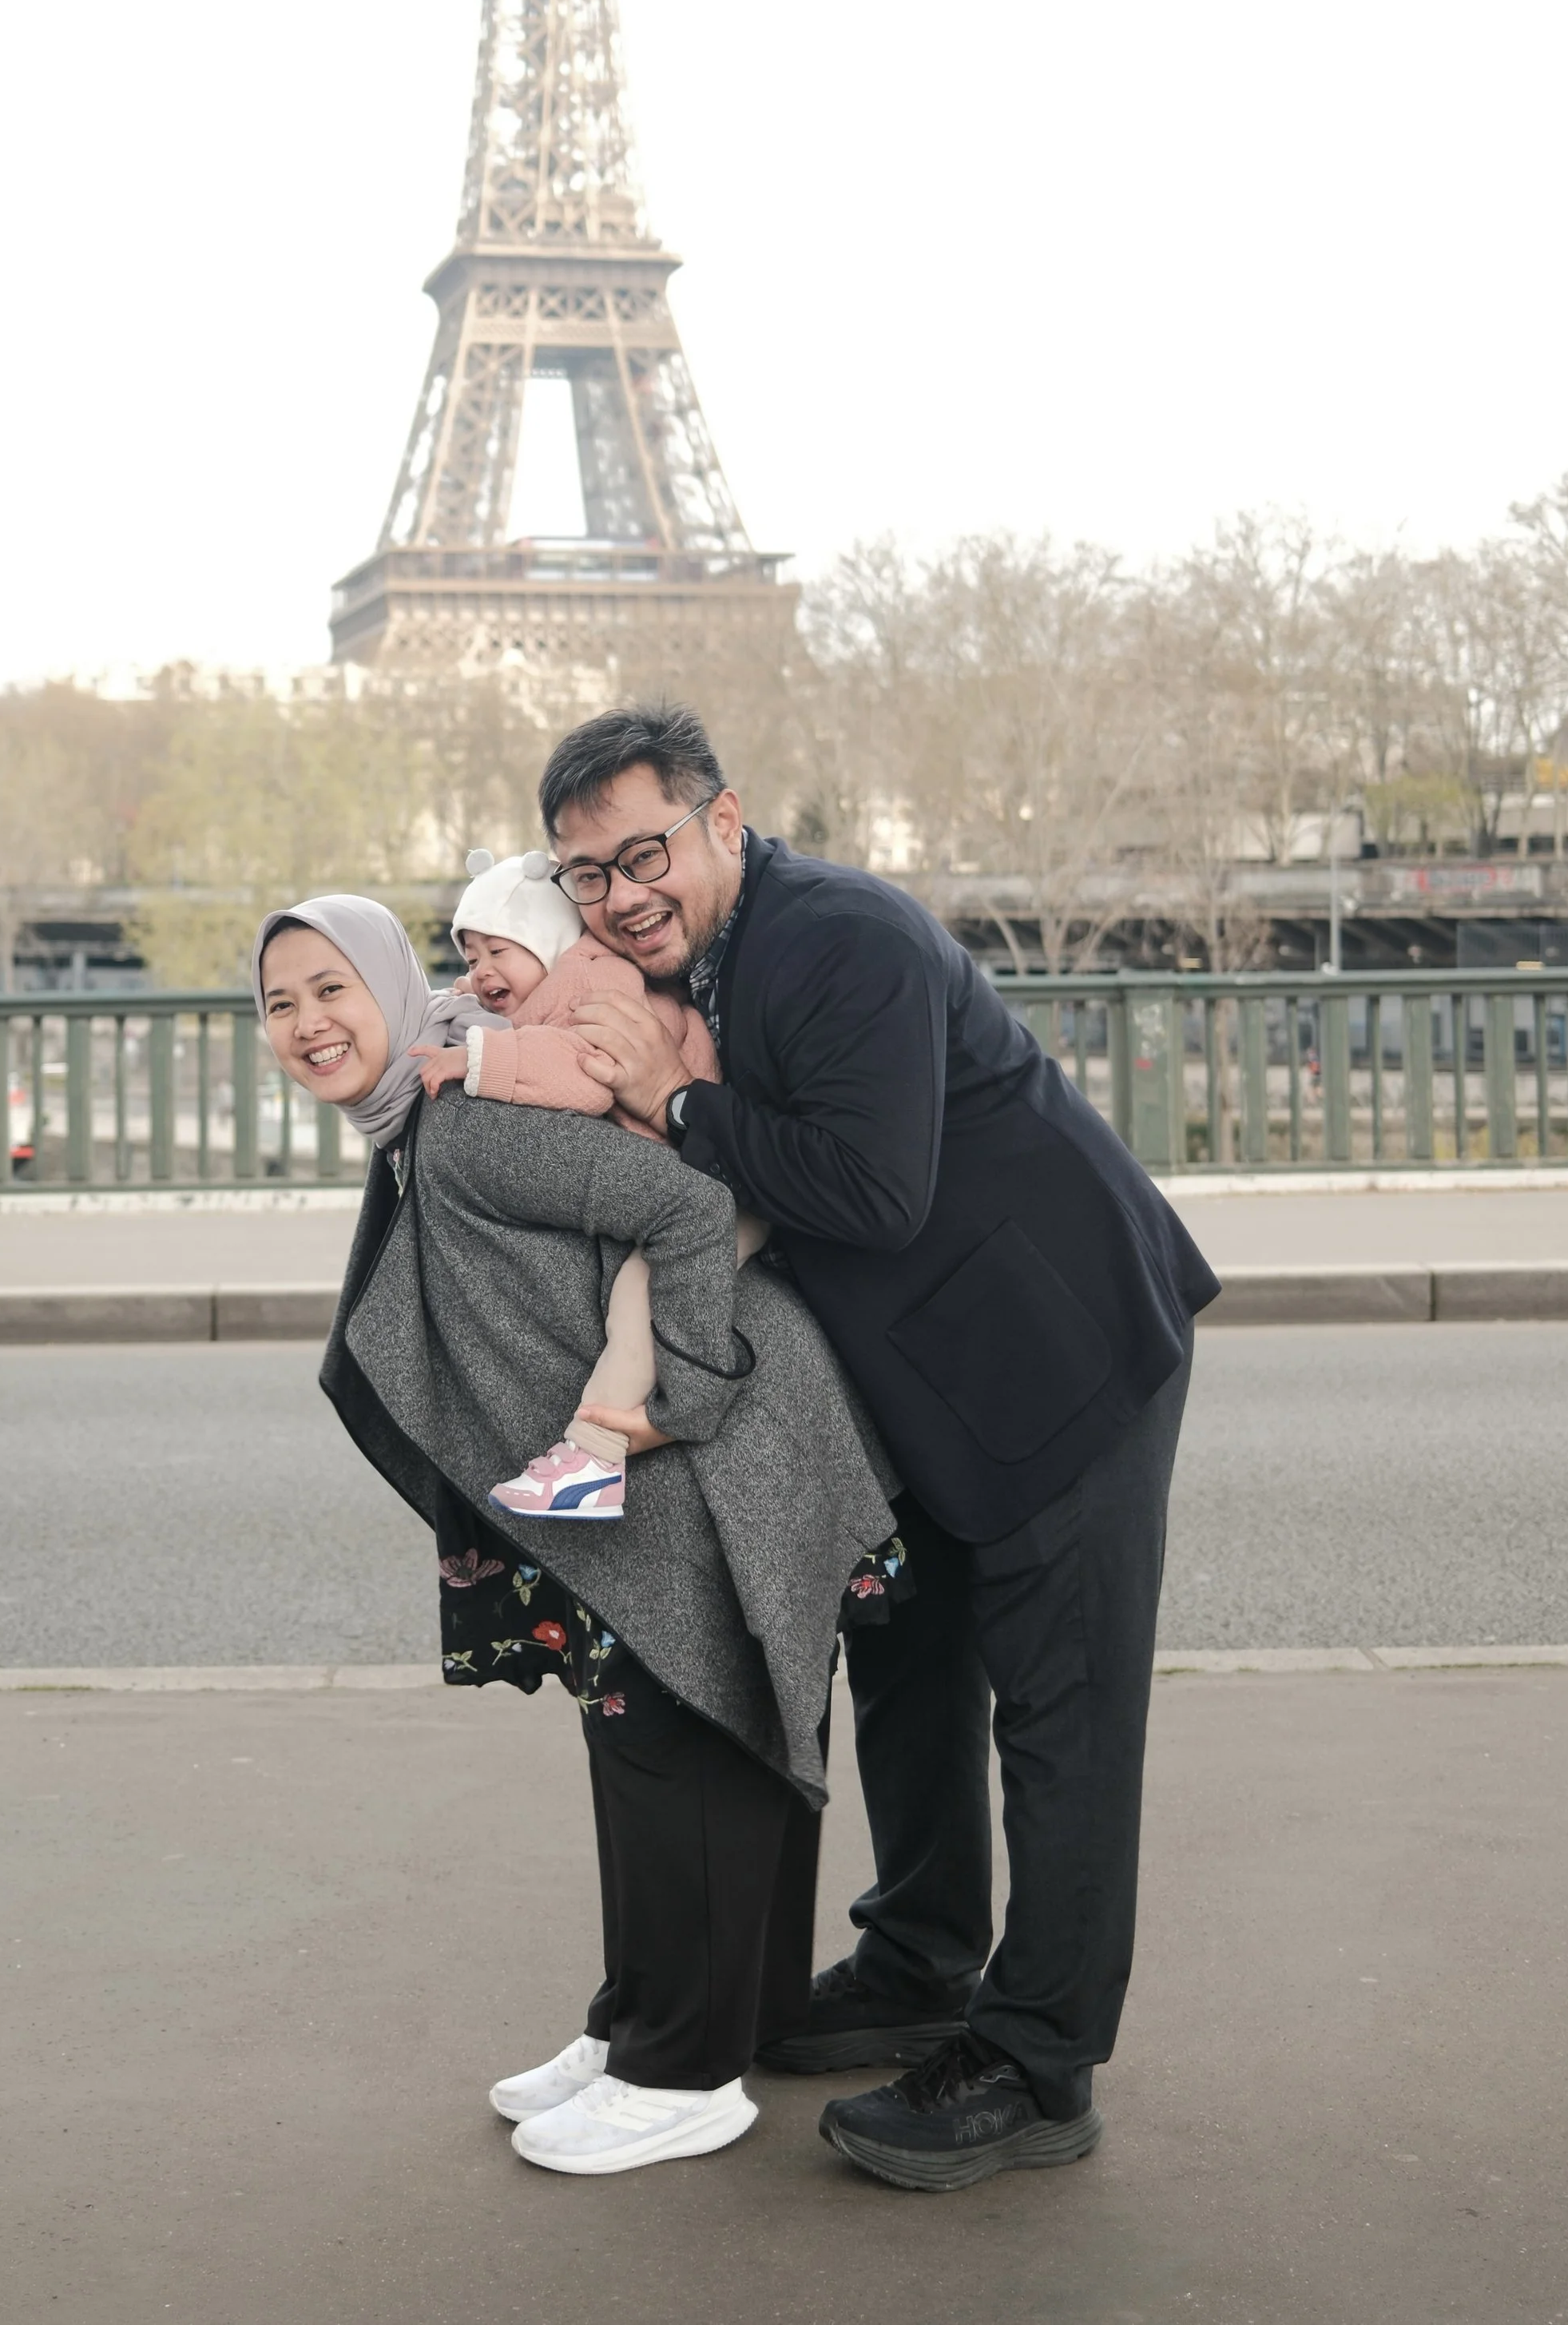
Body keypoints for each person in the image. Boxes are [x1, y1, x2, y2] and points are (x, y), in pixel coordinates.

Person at [534, 701, 1221, 2194]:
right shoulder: (693, 961)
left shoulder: (839, 937)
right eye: (583, 872)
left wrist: (674, 1096)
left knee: (1062, 1721)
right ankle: (918, 1963)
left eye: (643, 850)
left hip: (1062, 1354)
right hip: (925, 1393)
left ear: (726, 822)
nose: (619, 892)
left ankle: (1040, 2063)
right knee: (911, 1669)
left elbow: (868, 1188)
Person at [255, 892, 897, 2177]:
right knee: (650, 1747)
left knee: (678, 1747)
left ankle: (686, 2073)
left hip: (711, 1457)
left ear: (391, 983)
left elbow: (692, 1208)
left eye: (334, 987)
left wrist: (681, 1391)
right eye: (280, 1003)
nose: (311, 1022)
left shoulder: (472, 1120)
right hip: (663, 1473)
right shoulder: (434, 1118)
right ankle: (649, 2026)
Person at [422, 848, 756, 1524]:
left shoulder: (600, 982)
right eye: (471, 956)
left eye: (499, 952)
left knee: (639, 1294)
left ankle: (594, 1456)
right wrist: (467, 999)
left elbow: (582, 1069)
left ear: (548, 942)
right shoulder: (555, 985)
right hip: (685, 1175)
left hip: (727, 1186)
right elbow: (528, 1018)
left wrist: (475, 1057)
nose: (482, 972)